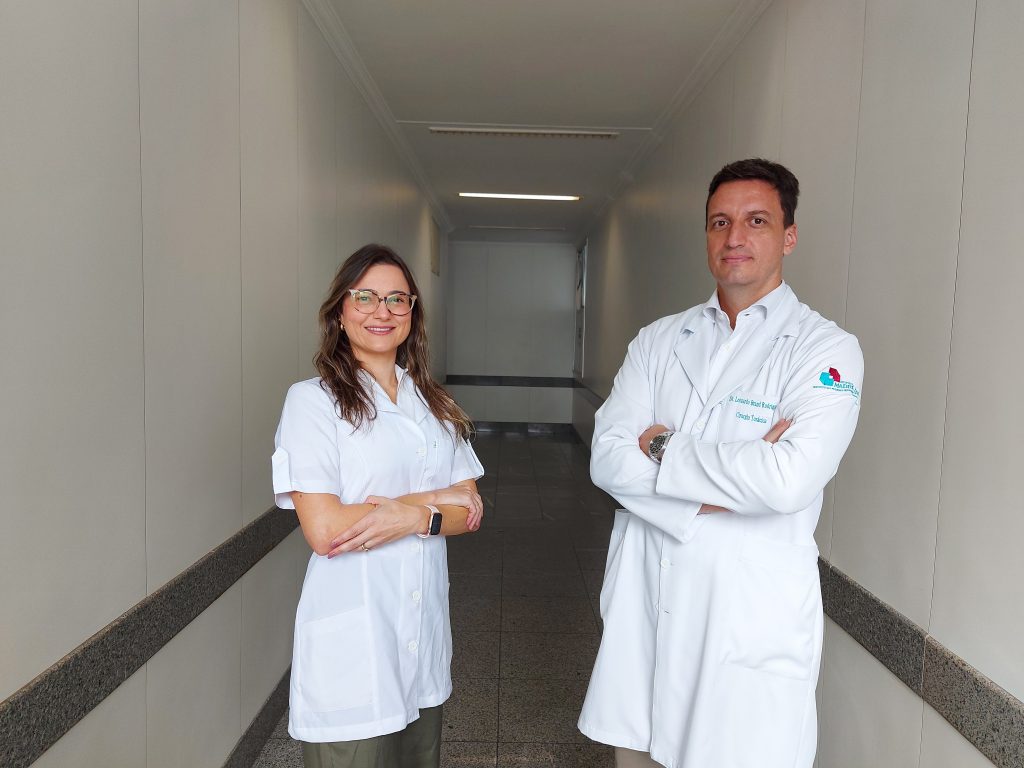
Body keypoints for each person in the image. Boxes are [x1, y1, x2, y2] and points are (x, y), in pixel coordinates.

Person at [578, 159, 864, 768]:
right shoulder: (658, 340)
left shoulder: (825, 350)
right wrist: (725, 484)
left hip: (743, 635)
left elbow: (786, 480)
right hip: (645, 620)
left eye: (757, 220)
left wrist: (662, 447)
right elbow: (606, 459)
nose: (735, 236)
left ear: (789, 235)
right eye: (720, 222)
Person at [272, 244, 484, 768]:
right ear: (340, 312)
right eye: (364, 297)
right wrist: (427, 502)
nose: (381, 311)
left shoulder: (434, 403)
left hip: (421, 638)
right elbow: (326, 530)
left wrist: (411, 517)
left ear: (412, 312)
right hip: (354, 646)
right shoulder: (313, 401)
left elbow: (470, 510)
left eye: (397, 299)